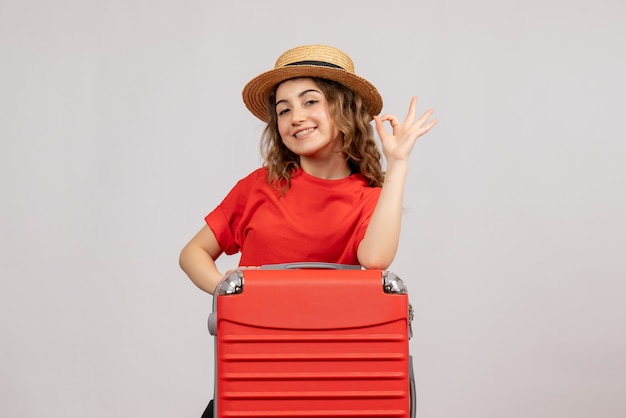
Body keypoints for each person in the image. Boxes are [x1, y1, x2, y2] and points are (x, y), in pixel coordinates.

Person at [179, 44, 437, 418]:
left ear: (342, 109)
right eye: (284, 110)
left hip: (334, 383)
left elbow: (376, 259)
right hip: (253, 380)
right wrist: (226, 288)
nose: (295, 117)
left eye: (310, 102)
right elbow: (192, 253)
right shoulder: (258, 187)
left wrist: (398, 164)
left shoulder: (369, 200)